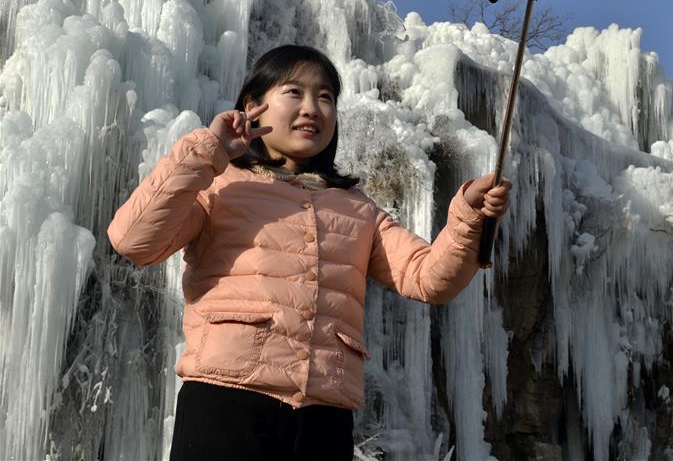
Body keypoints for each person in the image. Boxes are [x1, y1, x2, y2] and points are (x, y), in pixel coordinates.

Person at [106, 45, 513, 461]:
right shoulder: (220, 185)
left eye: (325, 97)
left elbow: (427, 277)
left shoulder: (357, 207)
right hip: (226, 401)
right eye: (294, 92)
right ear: (253, 107)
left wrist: (469, 217)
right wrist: (207, 149)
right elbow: (134, 240)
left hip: (324, 418)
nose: (312, 108)